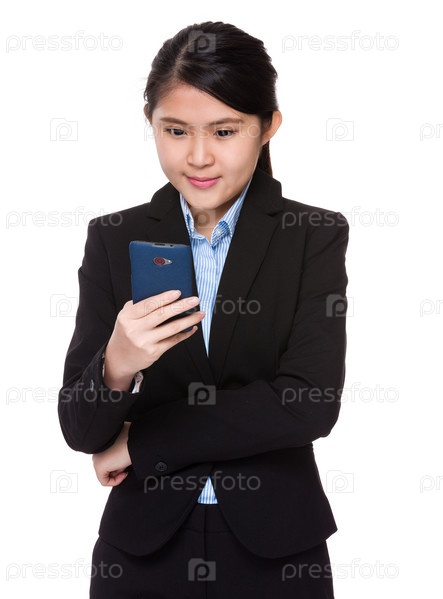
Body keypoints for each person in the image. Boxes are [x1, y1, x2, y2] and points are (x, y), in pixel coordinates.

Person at [58, 20, 350, 599]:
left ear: (268, 127)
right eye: (175, 130)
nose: (197, 156)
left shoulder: (311, 234)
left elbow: (308, 404)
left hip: (278, 548)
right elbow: (80, 429)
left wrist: (143, 443)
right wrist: (118, 364)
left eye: (224, 130)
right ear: (150, 123)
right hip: (141, 551)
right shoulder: (114, 238)